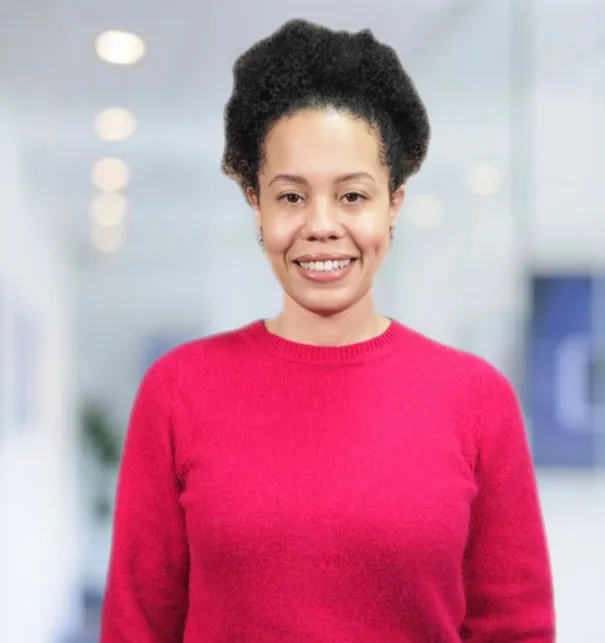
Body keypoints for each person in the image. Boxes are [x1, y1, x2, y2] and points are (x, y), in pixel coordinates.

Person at [99, 18, 555, 643]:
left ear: (393, 203)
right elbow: (138, 626)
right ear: (255, 204)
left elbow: (516, 629)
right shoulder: (179, 390)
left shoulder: (477, 401)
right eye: (290, 197)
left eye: (352, 196)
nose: (321, 226)